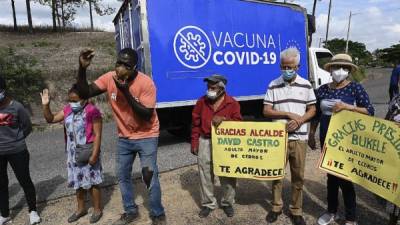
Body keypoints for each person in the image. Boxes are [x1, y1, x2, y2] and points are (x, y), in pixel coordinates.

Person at [76, 48, 165, 225]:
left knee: (149, 176)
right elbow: (84, 93)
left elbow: (146, 115)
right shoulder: (109, 78)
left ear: (134, 68)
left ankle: (157, 214)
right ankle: (130, 211)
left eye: (126, 65)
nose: (120, 69)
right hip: (124, 137)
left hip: (147, 135)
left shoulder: (146, 83)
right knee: (122, 176)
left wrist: (125, 91)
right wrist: (82, 68)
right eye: (118, 63)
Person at [308, 53, 374, 225]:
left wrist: (348, 107)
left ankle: (351, 217)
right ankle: (331, 211)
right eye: (337, 67)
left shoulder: (355, 88)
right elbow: (316, 113)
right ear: (330, 70)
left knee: (345, 177)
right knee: (331, 175)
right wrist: (311, 134)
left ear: (349, 71)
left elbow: (369, 111)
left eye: (345, 68)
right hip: (327, 138)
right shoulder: (322, 90)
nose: (340, 71)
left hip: (347, 139)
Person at [263, 47, 316, 225]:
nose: (287, 70)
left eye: (290, 67)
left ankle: (296, 210)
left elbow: (313, 109)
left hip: (299, 138)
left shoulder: (306, 85)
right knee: (276, 175)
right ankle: (276, 207)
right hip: (279, 139)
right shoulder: (273, 84)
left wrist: (300, 120)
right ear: (280, 66)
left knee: (298, 176)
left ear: (298, 66)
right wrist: (287, 114)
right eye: (284, 67)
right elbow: (266, 111)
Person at [41, 85, 103, 223]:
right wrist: (46, 106)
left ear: (85, 98)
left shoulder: (92, 111)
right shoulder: (68, 110)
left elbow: (98, 134)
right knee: (77, 182)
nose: (72, 103)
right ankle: (81, 209)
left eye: (75, 100)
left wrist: (94, 154)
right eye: (70, 100)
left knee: (93, 182)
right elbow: (50, 119)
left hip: (88, 150)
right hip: (73, 153)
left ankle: (97, 209)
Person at [191, 74, 242, 218]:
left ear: (221, 89)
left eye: (212, 88)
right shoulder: (201, 102)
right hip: (205, 141)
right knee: (205, 173)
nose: (209, 90)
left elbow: (239, 123)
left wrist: (225, 119)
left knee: (227, 173)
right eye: (208, 87)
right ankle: (208, 204)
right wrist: (195, 142)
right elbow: (195, 124)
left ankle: (227, 203)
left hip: (225, 144)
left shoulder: (232, 103)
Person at [0, 75, 41, 225]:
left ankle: (33, 211)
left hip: (18, 151)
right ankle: (4, 214)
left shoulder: (16, 106)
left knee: (24, 180)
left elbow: (27, 126)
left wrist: (16, 139)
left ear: (3, 90)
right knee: (1, 183)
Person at [384, 93, 400, 225]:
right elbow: (386, 119)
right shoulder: (396, 99)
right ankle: (392, 219)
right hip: (394, 152)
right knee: (393, 189)